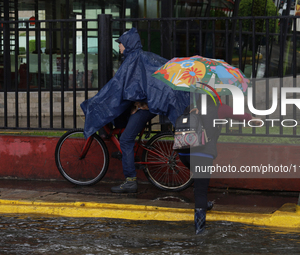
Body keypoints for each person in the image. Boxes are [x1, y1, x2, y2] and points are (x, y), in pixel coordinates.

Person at [80, 28, 190, 193]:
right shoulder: (143, 57)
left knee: (125, 140)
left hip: (147, 106)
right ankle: (127, 157)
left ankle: (130, 181)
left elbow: (118, 88)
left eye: (121, 44)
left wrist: (99, 103)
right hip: (148, 104)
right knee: (125, 124)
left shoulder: (134, 60)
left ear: (128, 44)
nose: (119, 47)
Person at [179, 97, 256, 235]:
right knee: (200, 190)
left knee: (199, 181)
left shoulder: (190, 106)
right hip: (203, 154)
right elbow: (240, 115)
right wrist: (253, 119)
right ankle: (199, 230)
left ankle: (205, 205)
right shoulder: (220, 108)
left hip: (184, 154)